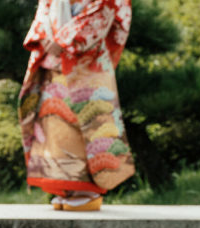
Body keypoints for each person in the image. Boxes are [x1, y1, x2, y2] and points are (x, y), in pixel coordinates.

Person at [19, 0, 135, 212]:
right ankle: (65, 188)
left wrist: (65, 40)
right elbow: (44, 9)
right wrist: (45, 38)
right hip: (54, 63)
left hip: (86, 65)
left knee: (86, 126)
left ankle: (87, 190)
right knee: (53, 126)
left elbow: (106, 8)